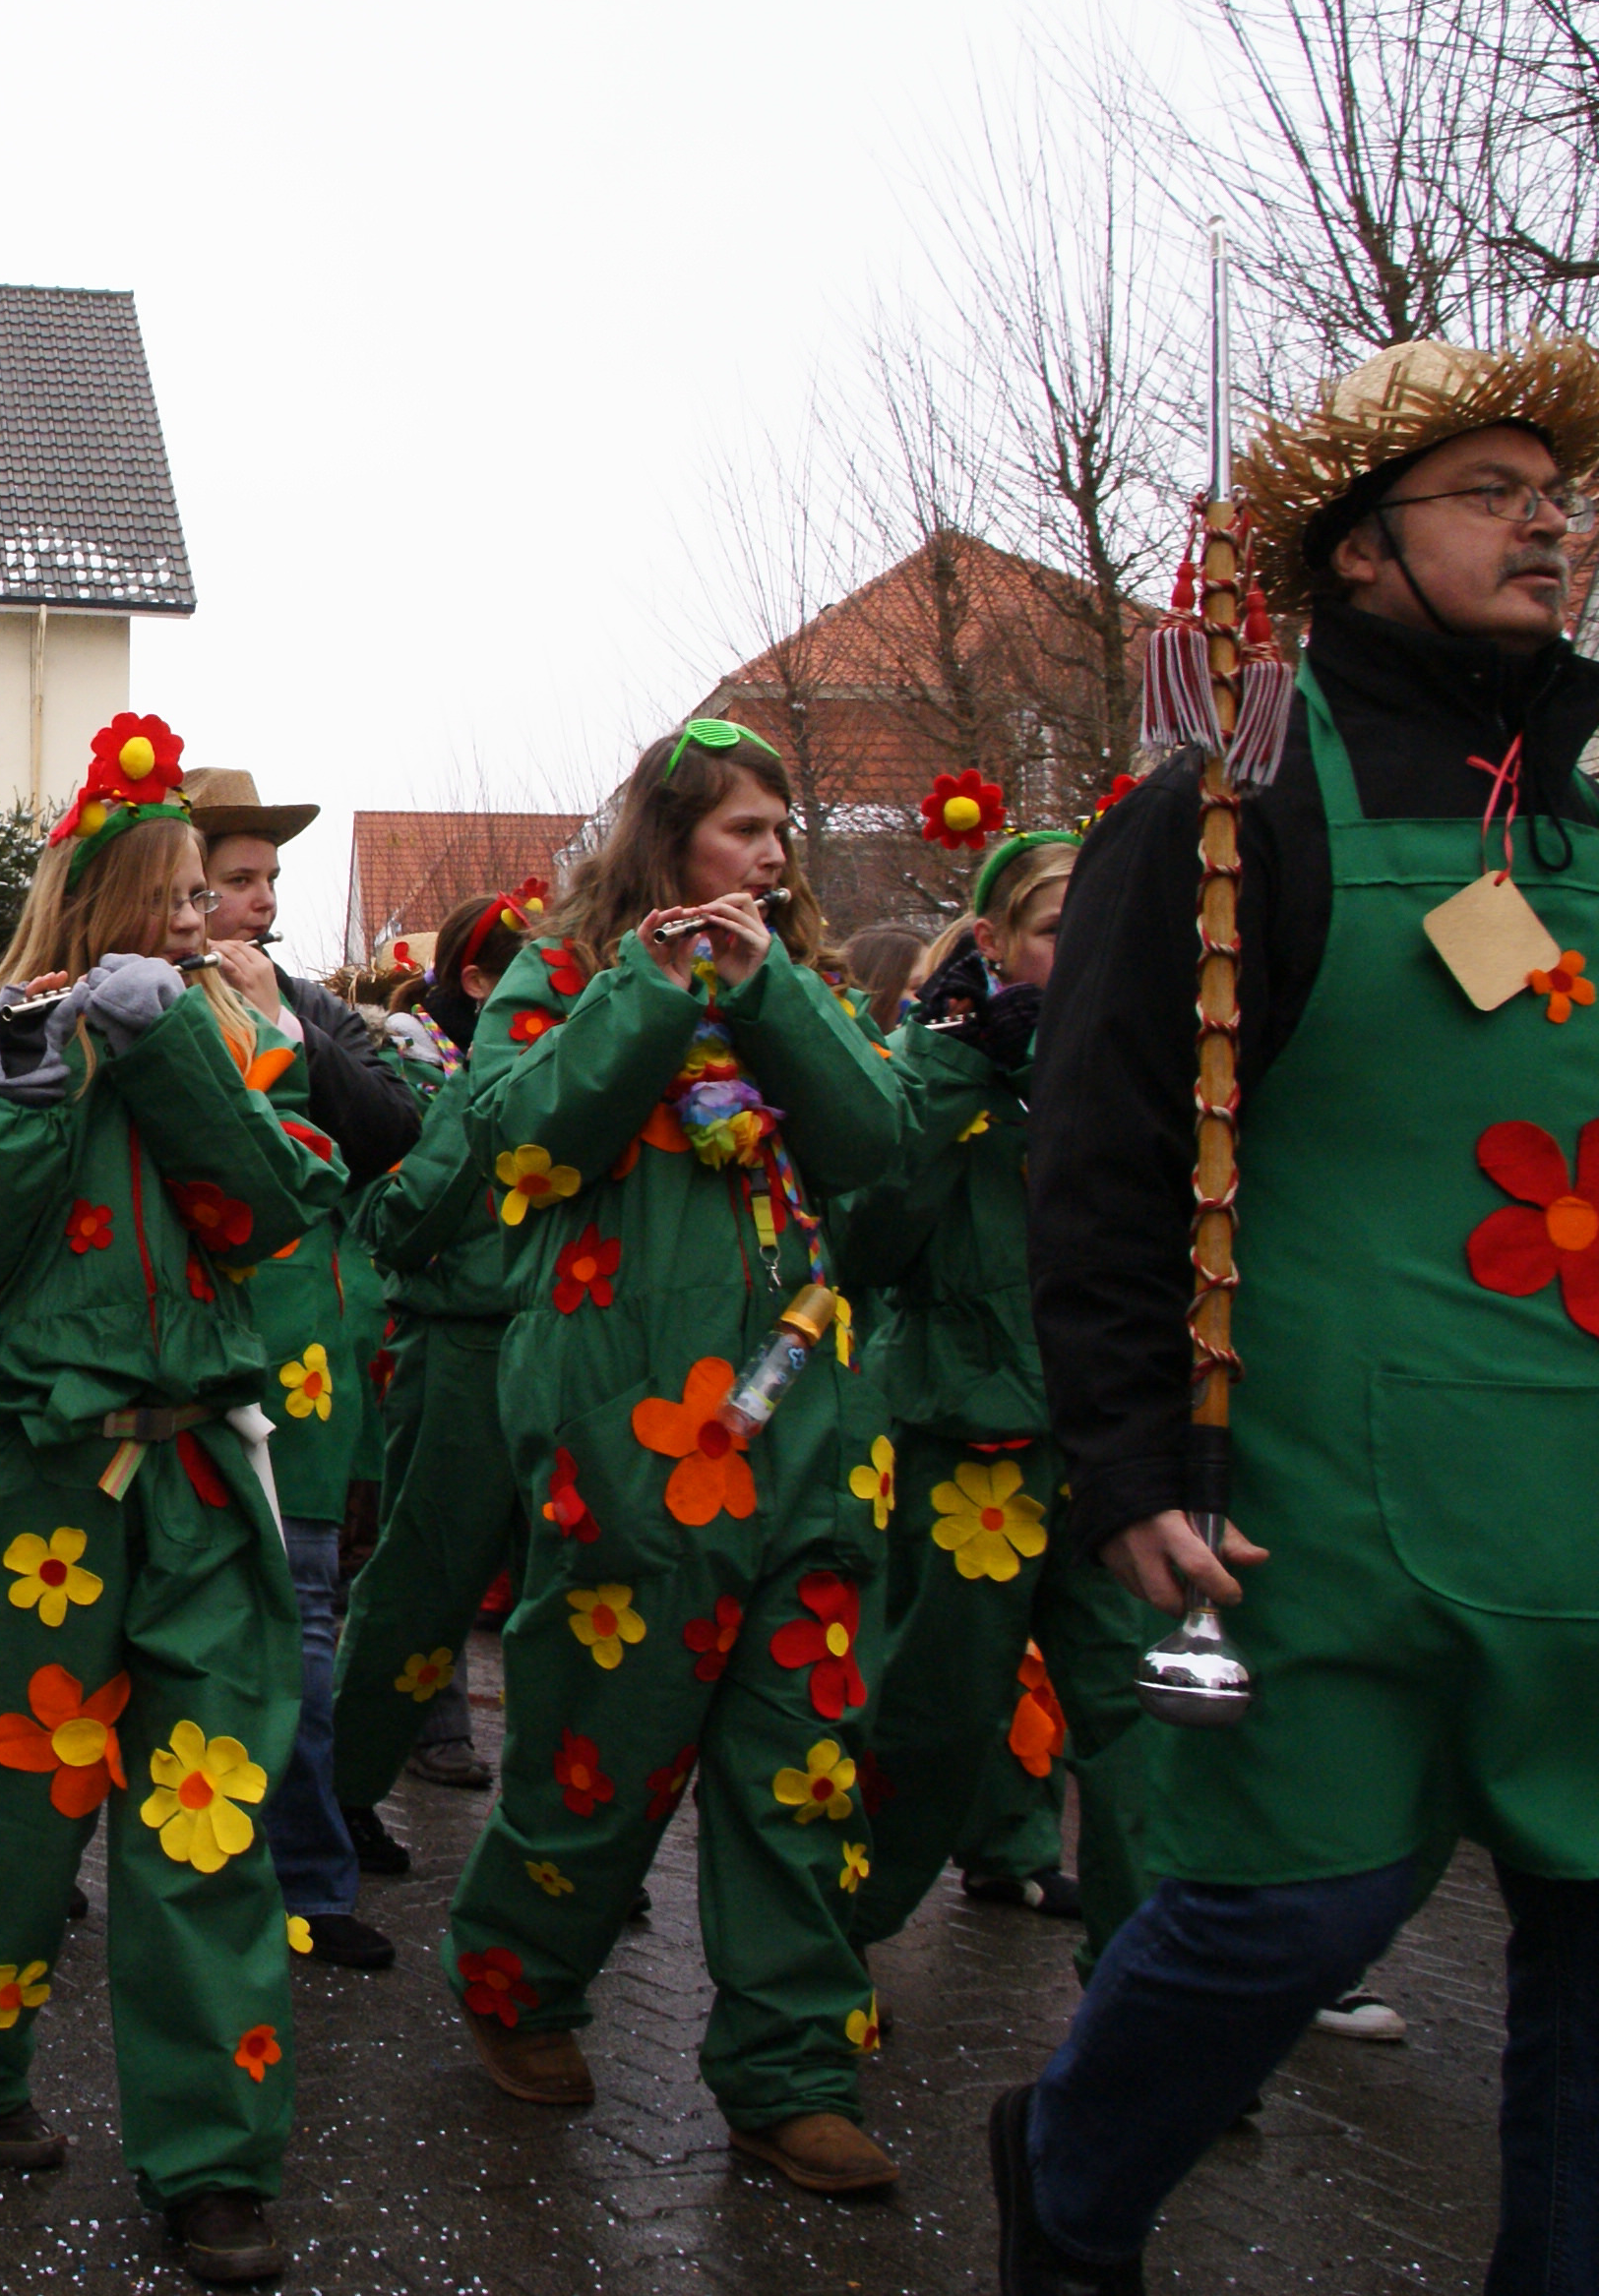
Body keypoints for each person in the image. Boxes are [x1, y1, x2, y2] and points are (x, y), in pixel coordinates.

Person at [997, 338, 1599, 2293]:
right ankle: (1064, 2174)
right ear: (1359, 549)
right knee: (1286, 1917)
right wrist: (1127, 1458)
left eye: (1553, 495)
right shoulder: (1229, 817)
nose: (1545, 524)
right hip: (1328, 1499)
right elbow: (1100, 1154)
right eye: (1488, 492)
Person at [0, 712, 342, 2288]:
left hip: (200, 1474)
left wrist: (175, 1056)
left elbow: (271, 1212)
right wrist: (23, 1090)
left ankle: (213, 2163)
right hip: (36, 1486)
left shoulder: (238, 1033)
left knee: (207, 1822)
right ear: (99, 897)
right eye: (176, 893)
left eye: (206, 895)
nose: (198, 919)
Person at [435, 720, 905, 2198]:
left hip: (807, 1429)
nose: (771, 856)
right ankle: (519, 1980)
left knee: (801, 1767)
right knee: (602, 1742)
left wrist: (770, 997)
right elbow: (514, 1144)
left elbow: (878, 1145)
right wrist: (649, 987)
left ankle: (789, 2072)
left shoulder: (800, 980)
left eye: (779, 832)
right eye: (742, 830)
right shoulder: (564, 972)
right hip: (625, 1421)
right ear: (666, 839)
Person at [833, 832, 1155, 1975]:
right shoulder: (923, 1062)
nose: (1093, 952)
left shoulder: (1143, 1057)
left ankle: (1140, 1989)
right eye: (1062, 931)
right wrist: (961, 1069)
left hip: (1113, 1448)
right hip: (970, 1444)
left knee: (1136, 1721)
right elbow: (866, 1240)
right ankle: (826, 1946)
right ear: (992, 941)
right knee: (932, 1719)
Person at [184, 767, 427, 1972]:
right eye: (235, 881)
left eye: (268, 881)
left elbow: (392, 1130)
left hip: (305, 1375)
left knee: (304, 1628)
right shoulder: (130, 1000)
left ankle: (309, 1883)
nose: (260, 903)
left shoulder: (307, 1002)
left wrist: (285, 1026)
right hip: (185, 1356)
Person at [333, 885, 548, 1844]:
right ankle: (341, 1795)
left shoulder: (563, 1056)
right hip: (472, 1343)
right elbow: (398, 1212)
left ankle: (552, 1831)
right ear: (480, 984)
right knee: (428, 1583)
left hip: (540, 1343)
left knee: (552, 1597)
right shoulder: (426, 1066)